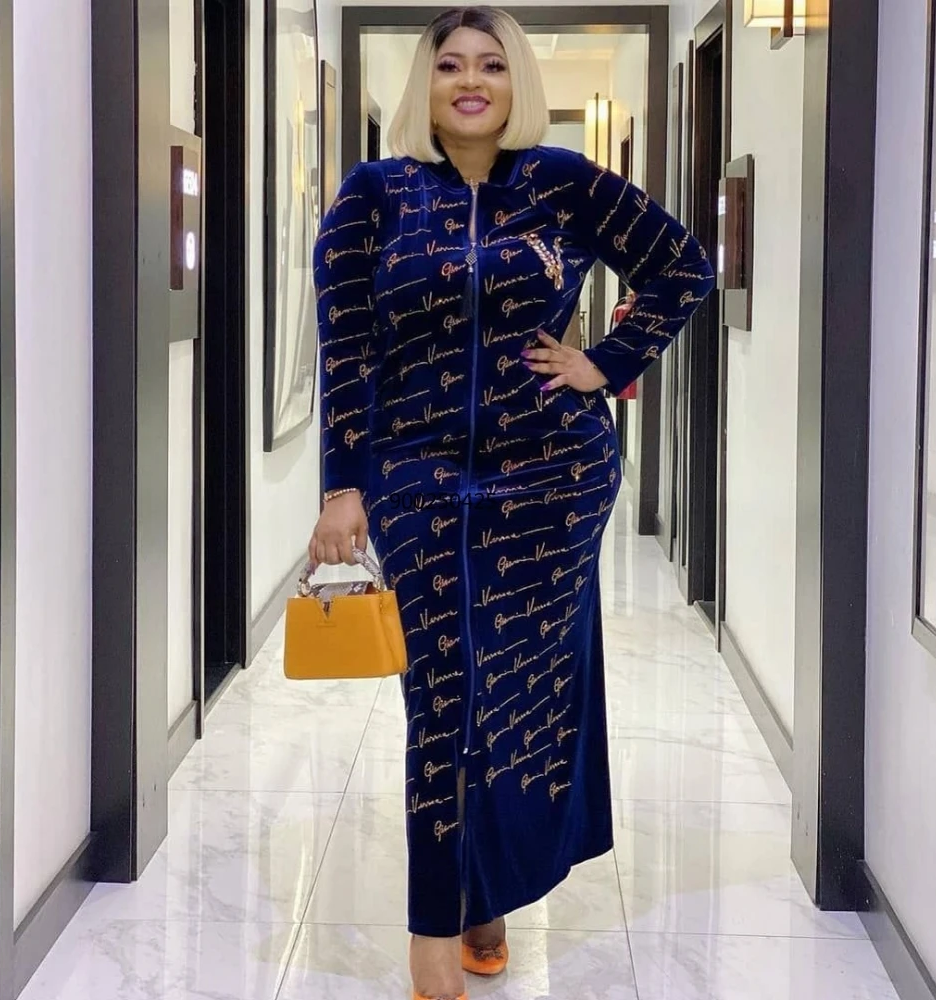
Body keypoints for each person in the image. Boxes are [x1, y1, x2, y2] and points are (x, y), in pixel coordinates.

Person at [309, 7, 714, 999]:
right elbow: (348, 346)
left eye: (491, 64)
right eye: (450, 64)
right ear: (427, 84)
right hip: (414, 476)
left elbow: (683, 267)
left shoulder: (563, 181)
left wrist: (605, 362)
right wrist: (341, 484)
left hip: (554, 479)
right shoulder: (374, 194)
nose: (470, 81)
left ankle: (485, 893)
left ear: (516, 82)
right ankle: (433, 937)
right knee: (440, 696)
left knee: (521, 695)